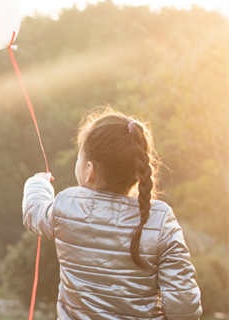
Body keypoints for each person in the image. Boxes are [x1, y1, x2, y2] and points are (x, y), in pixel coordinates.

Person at [22, 108, 202, 318]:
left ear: (89, 171)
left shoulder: (67, 206)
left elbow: (34, 212)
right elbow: (184, 306)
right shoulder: (161, 218)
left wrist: (38, 182)